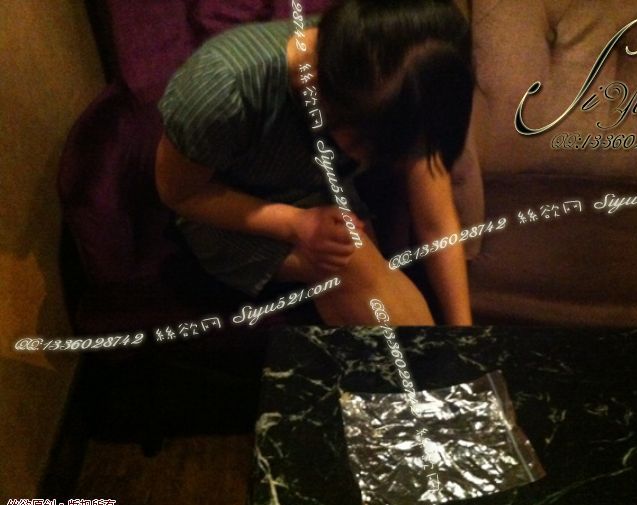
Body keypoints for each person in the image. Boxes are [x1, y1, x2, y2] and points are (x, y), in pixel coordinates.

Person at [155, 0, 474, 325]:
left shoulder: (407, 75)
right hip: (224, 211)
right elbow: (178, 194)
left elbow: (436, 224)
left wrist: (466, 334)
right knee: (347, 258)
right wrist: (296, 223)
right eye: (365, 143)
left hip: (319, 195)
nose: (366, 159)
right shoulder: (222, 86)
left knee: (355, 255)